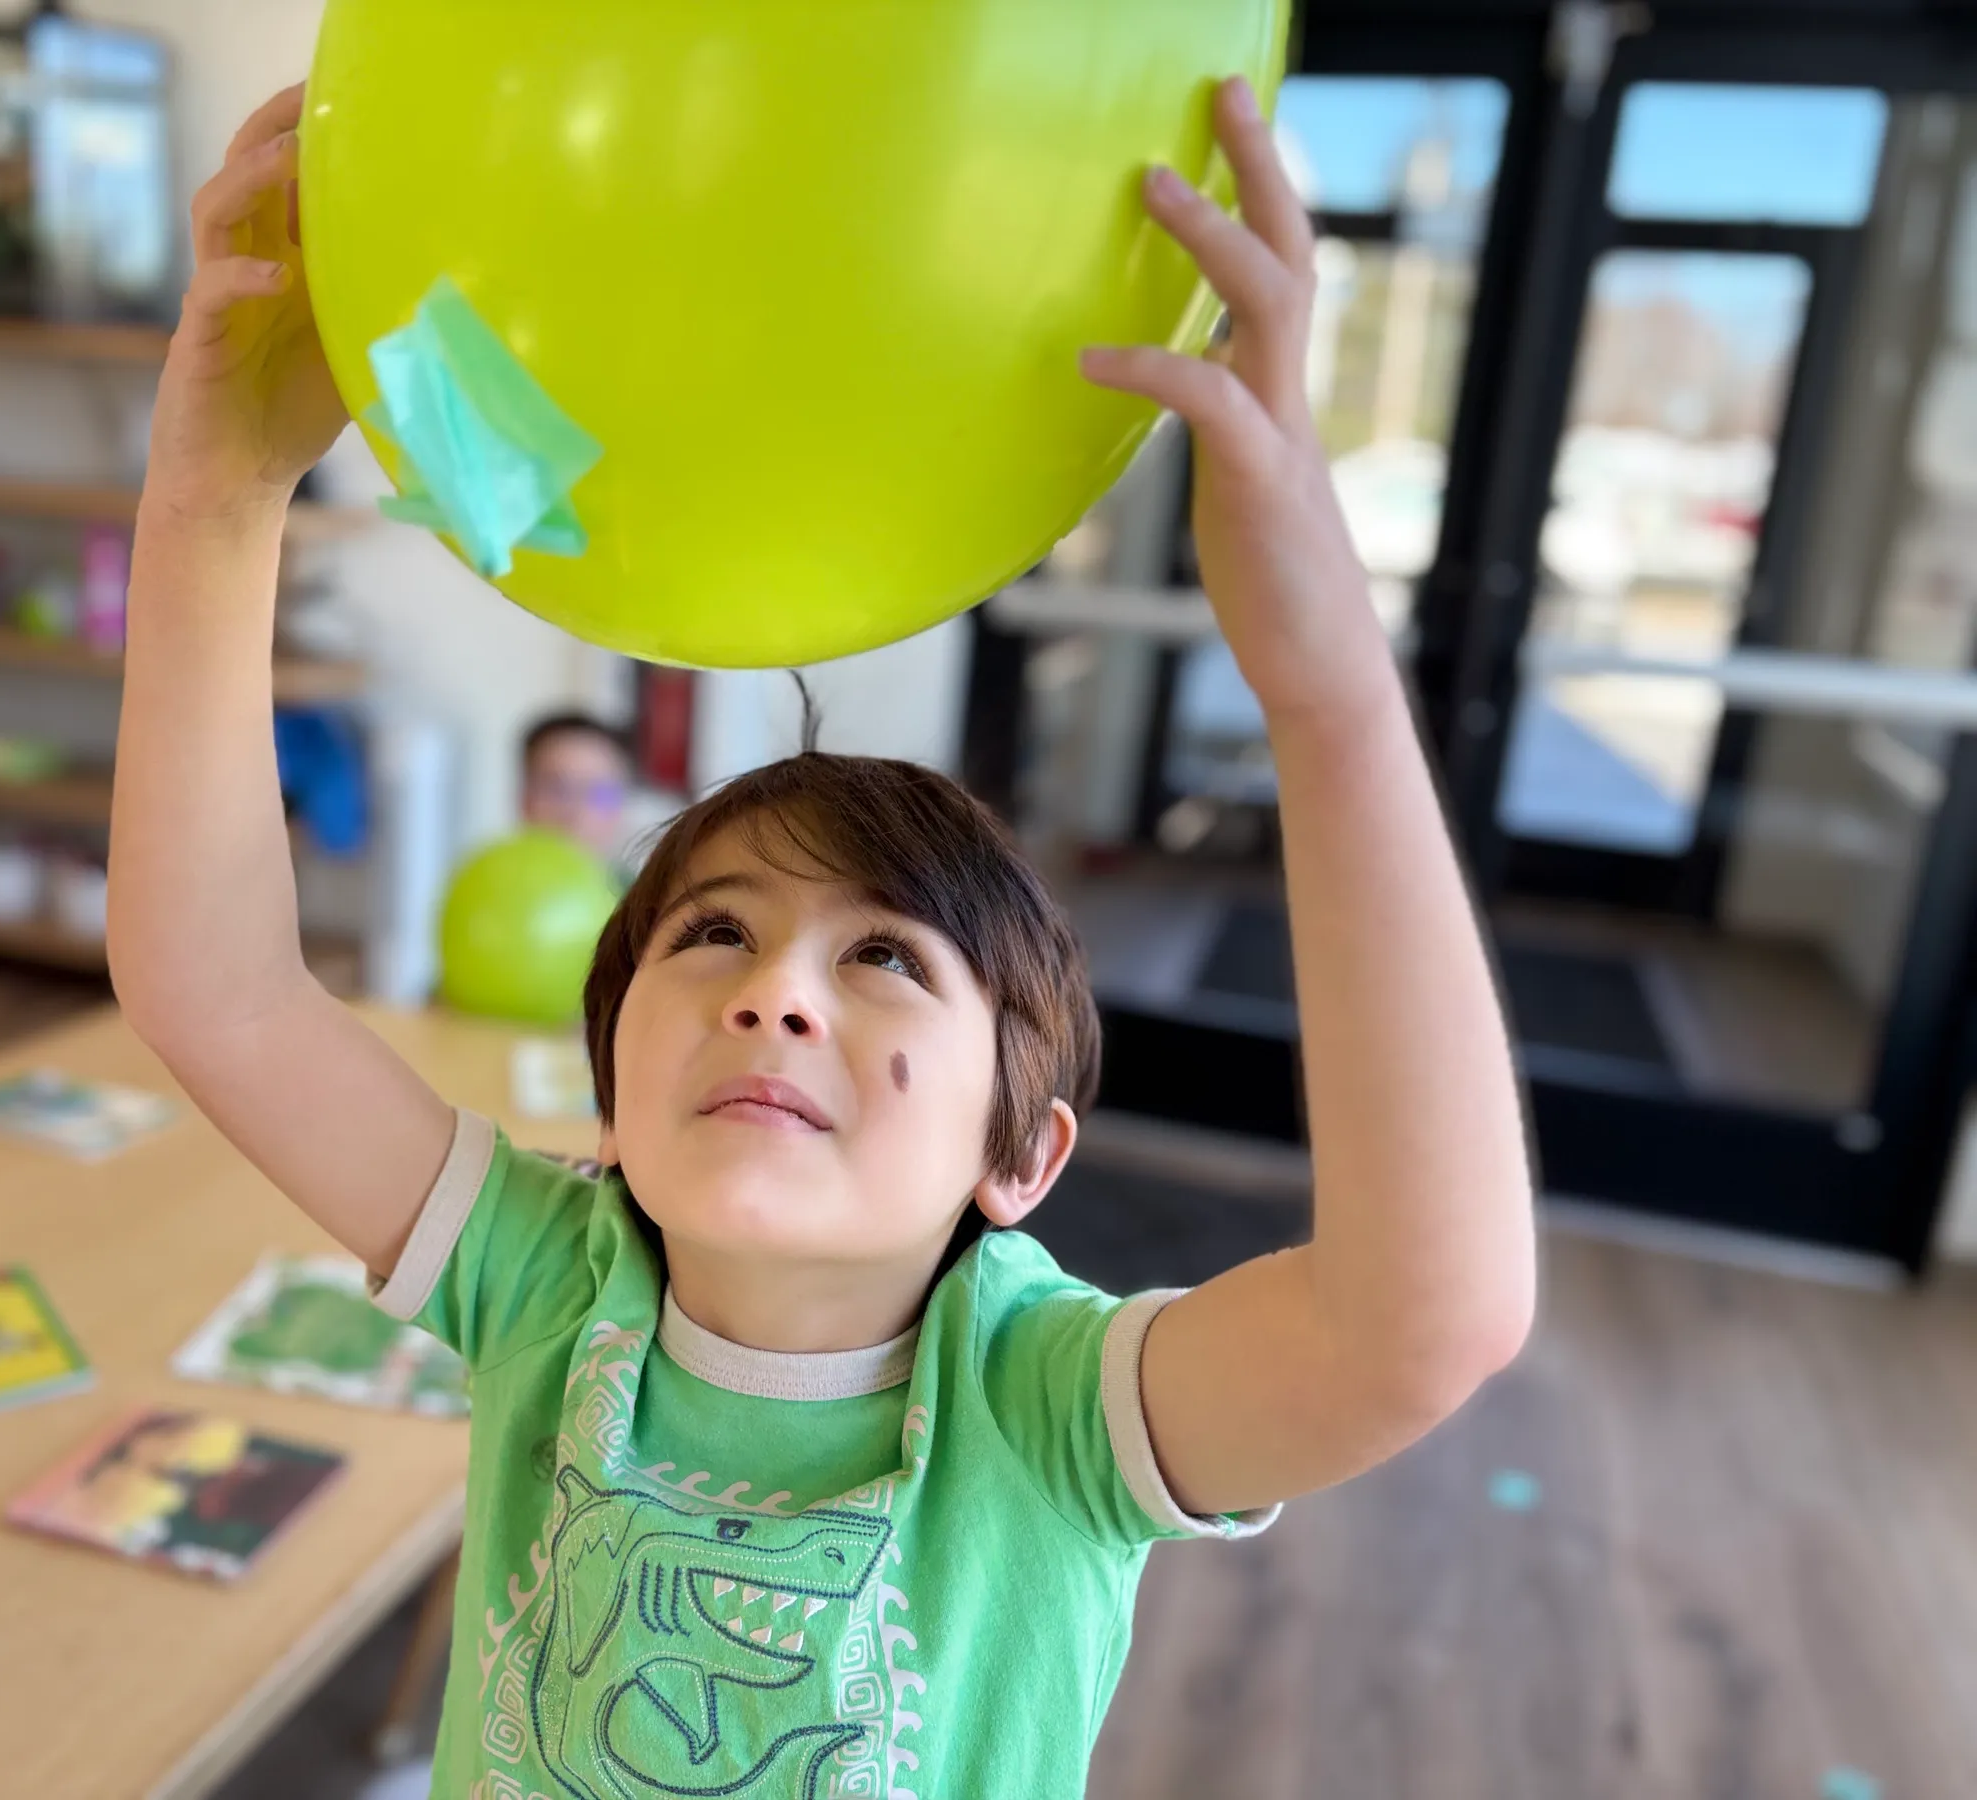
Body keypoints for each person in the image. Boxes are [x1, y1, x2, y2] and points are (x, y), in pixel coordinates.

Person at [109, 78, 1533, 1799]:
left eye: (884, 961)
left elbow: (1420, 1326)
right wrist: (213, 496)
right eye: (712, 935)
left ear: (1022, 1154)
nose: (776, 992)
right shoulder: (557, 1292)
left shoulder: (1041, 1406)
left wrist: (1326, 697)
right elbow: (217, 988)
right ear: (611, 1095)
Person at [519, 710, 635, 863]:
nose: (577, 812)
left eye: (599, 793)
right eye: (558, 790)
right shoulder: (491, 879)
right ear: (525, 798)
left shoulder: (647, 886)